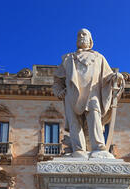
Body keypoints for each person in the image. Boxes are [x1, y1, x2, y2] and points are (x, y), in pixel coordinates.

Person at [53, 29, 124, 158]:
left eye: (84, 34)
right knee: (75, 123)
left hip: (93, 92)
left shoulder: (99, 58)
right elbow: (57, 80)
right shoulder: (68, 58)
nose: (81, 36)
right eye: (79, 35)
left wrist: (115, 77)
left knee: (95, 117)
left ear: (90, 40)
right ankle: (78, 150)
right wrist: (59, 91)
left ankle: (98, 147)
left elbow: (108, 76)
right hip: (71, 94)